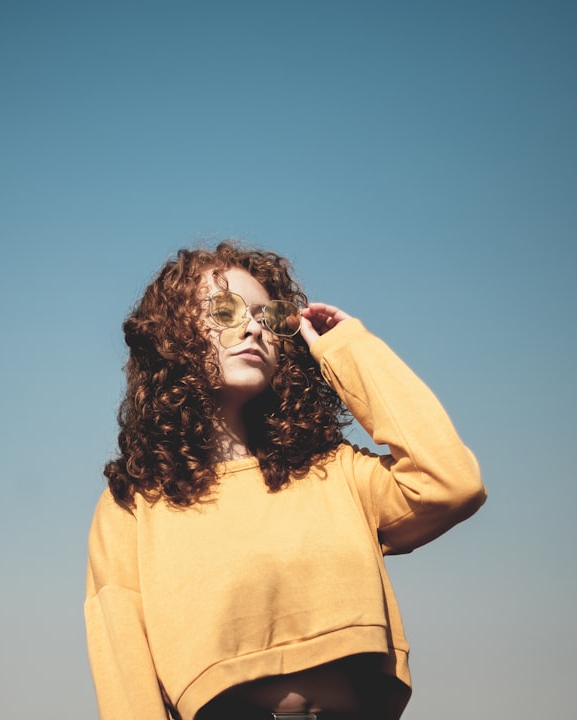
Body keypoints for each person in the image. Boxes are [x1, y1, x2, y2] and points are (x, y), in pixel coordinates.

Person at [85, 241, 486, 720]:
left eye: (271, 317)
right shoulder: (137, 503)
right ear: (174, 335)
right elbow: (124, 668)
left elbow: (451, 483)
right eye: (227, 311)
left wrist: (347, 348)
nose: (254, 327)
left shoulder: (333, 471)